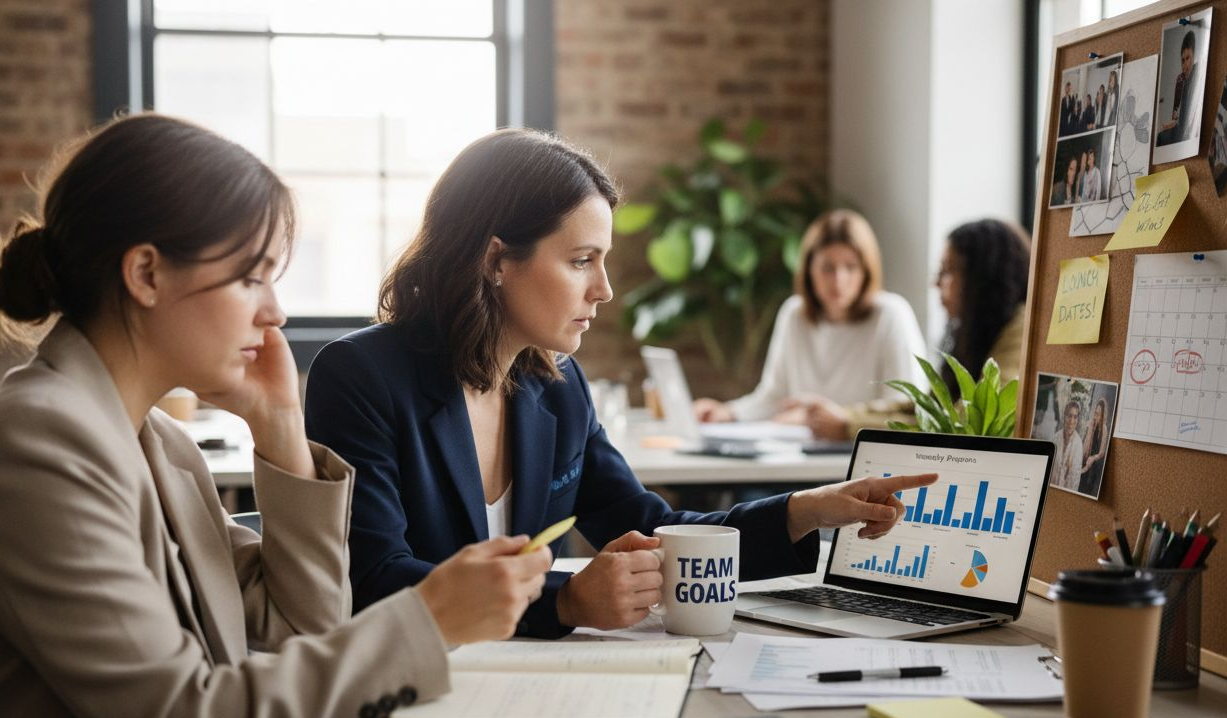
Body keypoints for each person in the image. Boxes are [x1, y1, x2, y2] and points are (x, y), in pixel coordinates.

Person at [0, 115, 556, 718]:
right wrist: (429, 620)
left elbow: (303, 627)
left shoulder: (158, 444)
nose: (275, 312)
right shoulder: (37, 452)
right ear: (146, 275)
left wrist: (280, 428)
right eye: (250, 277)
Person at [303, 129, 936, 638]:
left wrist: (808, 510)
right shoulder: (360, 377)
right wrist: (564, 601)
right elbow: (374, 581)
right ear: (496, 260)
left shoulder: (558, 386)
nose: (604, 290)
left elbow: (650, 525)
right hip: (413, 691)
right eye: (582, 261)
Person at [785, 219, 1031, 441]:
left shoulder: (1022, 334)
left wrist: (849, 426)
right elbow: (929, 408)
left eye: (947, 271)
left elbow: (962, 426)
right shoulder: (980, 333)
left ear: (982, 278)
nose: (936, 283)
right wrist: (843, 416)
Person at [692, 210, 927, 425]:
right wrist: (729, 412)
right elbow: (774, 396)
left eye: (851, 267)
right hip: (800, 449)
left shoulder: (891, 315)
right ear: (808, 269)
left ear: (867, 271)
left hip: (863, 450)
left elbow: (905, 408)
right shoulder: (794, 314)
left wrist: (826, 420)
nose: (838, 280)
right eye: (827, 268)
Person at [1158, 29, 1199, 145]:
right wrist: (1172, 123)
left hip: (1192, 129)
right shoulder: (1181, 80)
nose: (1184, 65)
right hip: (1180, 128)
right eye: (1182, 60)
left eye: (1188, 58)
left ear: (1194, 56)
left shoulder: (1199, 74)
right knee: (1161, 136)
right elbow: (1176, 113)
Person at [1078, 396, 1110, 497]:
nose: (1096, 416)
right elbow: (1085, 444)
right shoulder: (1092, 423)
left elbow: (1102, 453)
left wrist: (1092, 458)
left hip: (1094, 464)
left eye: (1099, 414)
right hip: (1085, 460)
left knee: (1086, 490)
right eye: (1096, 413)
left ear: (1103, 415)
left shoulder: (1104, 428)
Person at [1055, 399, 1086, 491]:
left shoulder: (1078, 444)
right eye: (1069, 416)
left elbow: (1075, 480)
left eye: (1075, 417)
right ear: (1064, 416)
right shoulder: (1056, 438)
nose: (1071, 421)